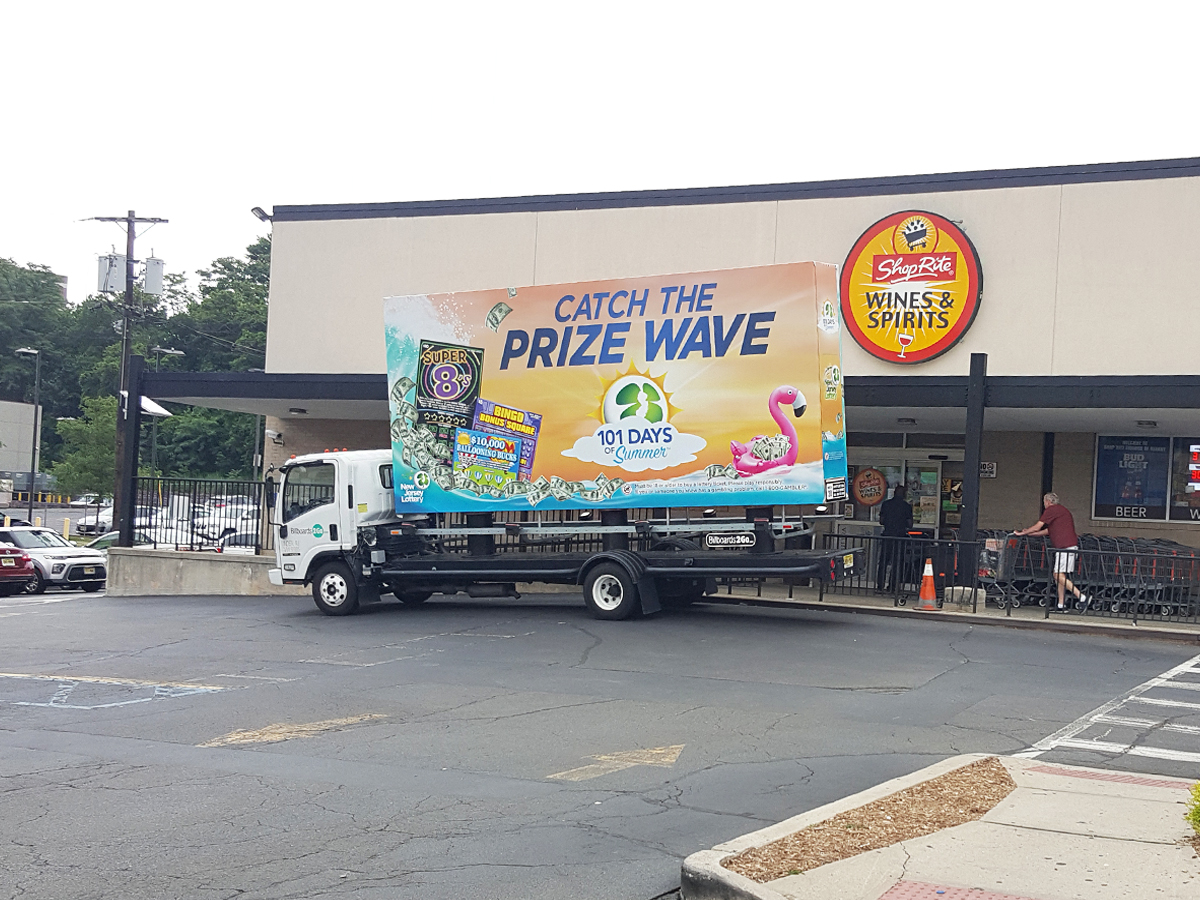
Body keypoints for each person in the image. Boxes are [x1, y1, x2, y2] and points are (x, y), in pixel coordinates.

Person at [1016, 492, 1088, 611]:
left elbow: (1038, 526)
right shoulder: (1062, 511)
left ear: (1048, 502)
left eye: (1044, 502)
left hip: (1065, 547)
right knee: (1060, 576)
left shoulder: (1051, 510)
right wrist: (1032, 534)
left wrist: (1023, 533)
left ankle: (1081, 596)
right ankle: (1061, 604)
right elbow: (1048, 531)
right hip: (1065, 547)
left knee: (1057, 575)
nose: (1044, 505)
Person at [875, 485, 913, 593]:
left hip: (887, 535)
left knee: (883, 562)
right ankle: (892, 586)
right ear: (904, 494)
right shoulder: (906, 506)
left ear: (894, 493)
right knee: (897, 563)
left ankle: (880, 586)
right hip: (900, 537)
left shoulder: (886, 504)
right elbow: (910, 524)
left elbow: (881, 521)